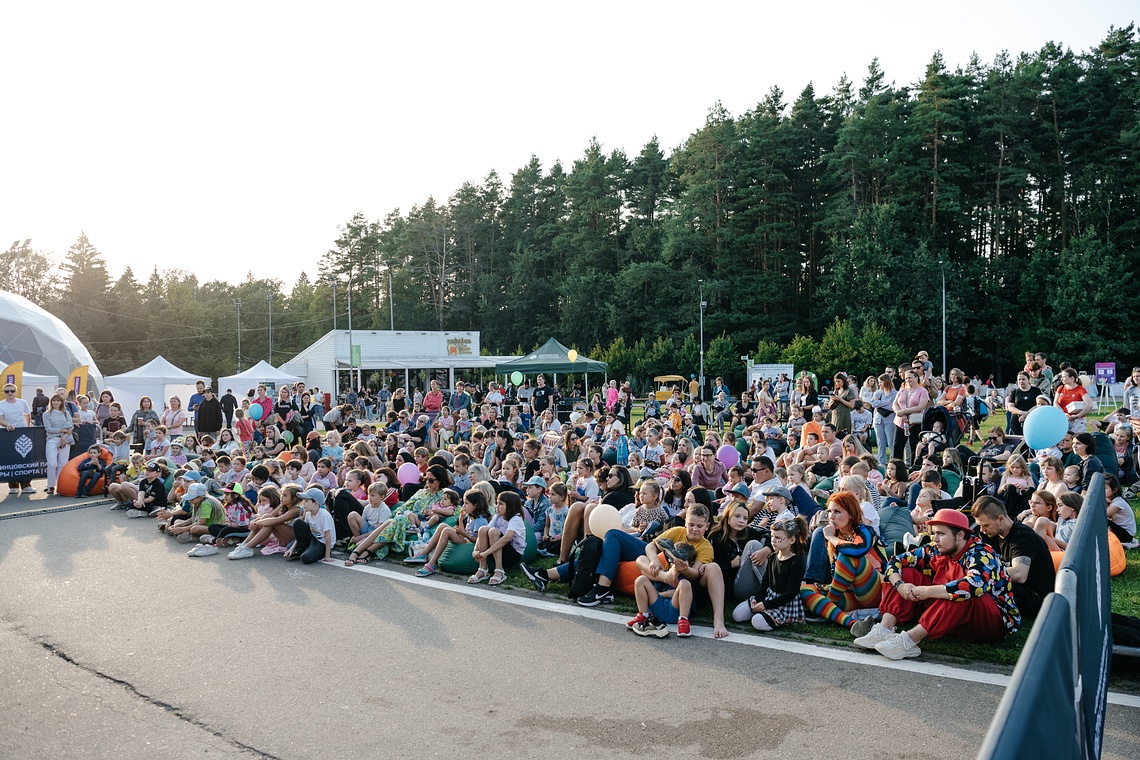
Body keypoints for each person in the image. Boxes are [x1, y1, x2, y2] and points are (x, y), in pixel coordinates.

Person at [851, 508, 1019, 660]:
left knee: (962, 592)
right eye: (934, 533)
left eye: (940, 534)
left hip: (992, 622)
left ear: (960, 535)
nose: (935, 539)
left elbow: (974, 586)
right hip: (952, 616)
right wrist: (900, 585)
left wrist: (928, 591)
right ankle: (885, 628)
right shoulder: (936, 548)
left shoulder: (982, 553)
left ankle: (908, 641)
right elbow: (896, 560)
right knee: (907, 572)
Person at [799, 492, 884, 629]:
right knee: (805, 590)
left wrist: (830, 538)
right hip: (848, 595)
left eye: (837, 512)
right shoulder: (836, 533)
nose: (831, 516)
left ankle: (828, 606)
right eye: (829, 511)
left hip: (872, 590)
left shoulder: (865, 530)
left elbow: (857, 550)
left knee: (847, 555)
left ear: (850, 514)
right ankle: (852, 623)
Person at [972, 495, 1056, 619]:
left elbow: (1019, 574)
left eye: (986, 525)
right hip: (1018, 591)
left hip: (1036, 596)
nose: (982, 530)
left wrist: (980, 575)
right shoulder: (991, 534)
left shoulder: (1022, 536)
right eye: (980, 525)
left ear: (1001, 519)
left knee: (991, 584)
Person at [730, 515, 809, 631]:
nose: (773, 540)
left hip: (783, 603)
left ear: (792, 540)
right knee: (737, 615)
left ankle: (774, 618)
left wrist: (765, 605)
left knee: (757, 622)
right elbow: (765, 581)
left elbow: (790, 593)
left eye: (778, 537)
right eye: (772, 536)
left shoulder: (796, 563)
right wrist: (757, 598)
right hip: (769, 596)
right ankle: (761, 611)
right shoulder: (772, 557)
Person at [468, 490, 528, 586]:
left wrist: (486, 553)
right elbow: (483, 532)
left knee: (494, 531)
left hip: (512, 555)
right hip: (497, 550)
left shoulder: (516, 519)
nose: (497, 506)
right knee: (483, 529)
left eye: (501, 504)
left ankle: (499, 570)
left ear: (510, 506)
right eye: (497, 503)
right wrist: (476, 550)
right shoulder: (498, 516)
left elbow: (506, 538)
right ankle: (483, 569)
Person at [0, 383, 34, 494]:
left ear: (16, 392)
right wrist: (8, 424)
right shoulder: (1, 404)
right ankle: (13, 486)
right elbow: (1, 419)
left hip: (22, 433)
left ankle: (26, 485)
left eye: (12, 391)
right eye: (7, 391)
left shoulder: (22, 402)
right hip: (8, 433)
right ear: (4, 393)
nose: (10, 393)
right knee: (11, 458)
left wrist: (27, 428)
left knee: (25, 458)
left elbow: (27, 414)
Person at [288, 487, 336, 564]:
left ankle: (316, 552)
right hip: (313, 538)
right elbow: (303, 531)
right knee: (297, 522)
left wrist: (327, 556)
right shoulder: (308, 513)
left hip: (322, 542)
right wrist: (291, 548)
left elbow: (328, 536)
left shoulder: (324, 515)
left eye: (306, 501)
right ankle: (303, 548)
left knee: (306, 558)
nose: (303, 503)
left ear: (315, 503)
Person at [42, 393, 74, 496]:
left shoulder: (66, 413)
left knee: (62, 464)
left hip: (65, 440)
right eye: (54, 400)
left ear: (61, 402)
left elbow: (70, 426)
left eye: (58, 400)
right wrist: (62, 430)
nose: (56, 402)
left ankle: (60, 485)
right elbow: (48, 429)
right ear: (51, 402)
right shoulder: (47, 414)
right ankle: (50, 485)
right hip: (52, 439)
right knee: (52, 463)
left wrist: (63, 437)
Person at [1054, 368, 1090, 434]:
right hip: (1063, 418)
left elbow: (1089, 404)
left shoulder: (1080, 390)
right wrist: (1064, 413)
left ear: (1072, 378)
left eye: (1064, 377)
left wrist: (1077, 415)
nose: (1062, 379)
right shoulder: (1061, 388)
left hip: (1077, 420)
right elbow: (1055, 403)